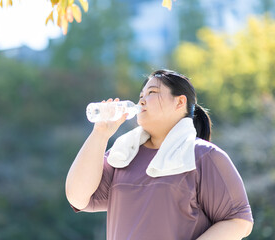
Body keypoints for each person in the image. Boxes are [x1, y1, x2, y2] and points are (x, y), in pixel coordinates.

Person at [65, 69, 253, 240]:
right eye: (141, 96)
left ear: (180, 102)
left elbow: (239, 222)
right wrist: (100, 133)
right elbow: (77, 197)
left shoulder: (204, 156)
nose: (141, 101)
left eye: (152, 93)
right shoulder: (122, 155)